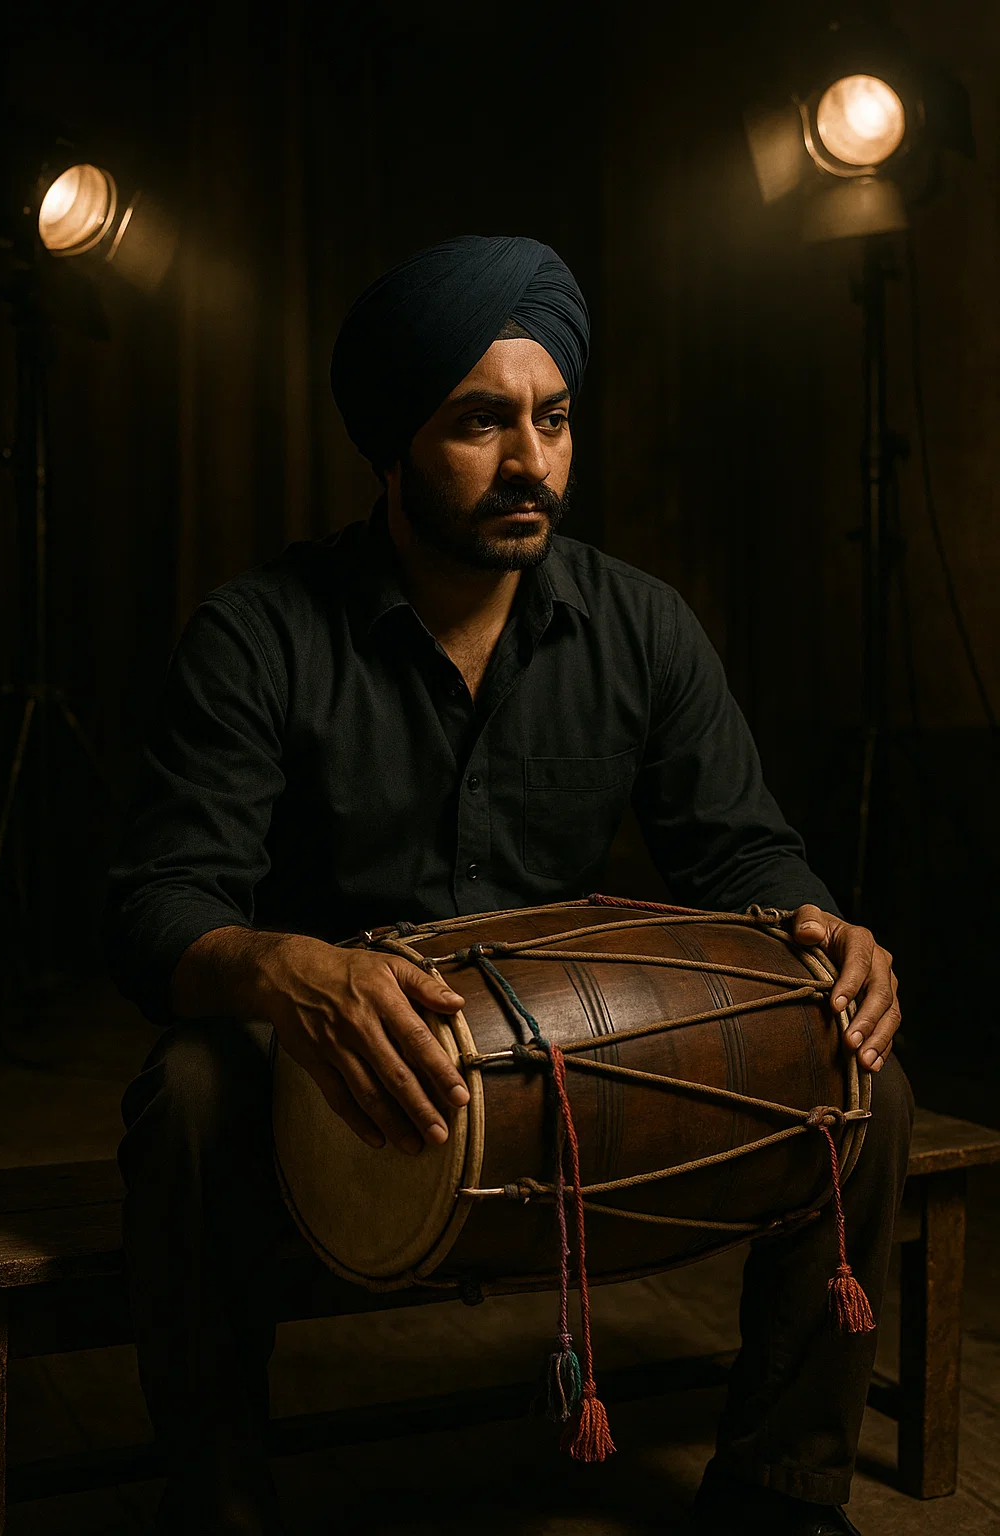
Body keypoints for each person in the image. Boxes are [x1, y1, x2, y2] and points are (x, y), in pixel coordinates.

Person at [104, 235, 910, 1536]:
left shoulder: (640, 625)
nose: (532, 461)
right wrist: (289, 969)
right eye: (481, 422)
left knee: (869, 1068)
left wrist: (825, 925)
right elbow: (156, 909)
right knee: (189, 1094)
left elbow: (742, 855)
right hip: (342, 1070)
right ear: (393, 444)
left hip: (566, 1065)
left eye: (555, 417)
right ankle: (222, 1507)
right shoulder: (260, 633)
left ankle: (780, 1491)